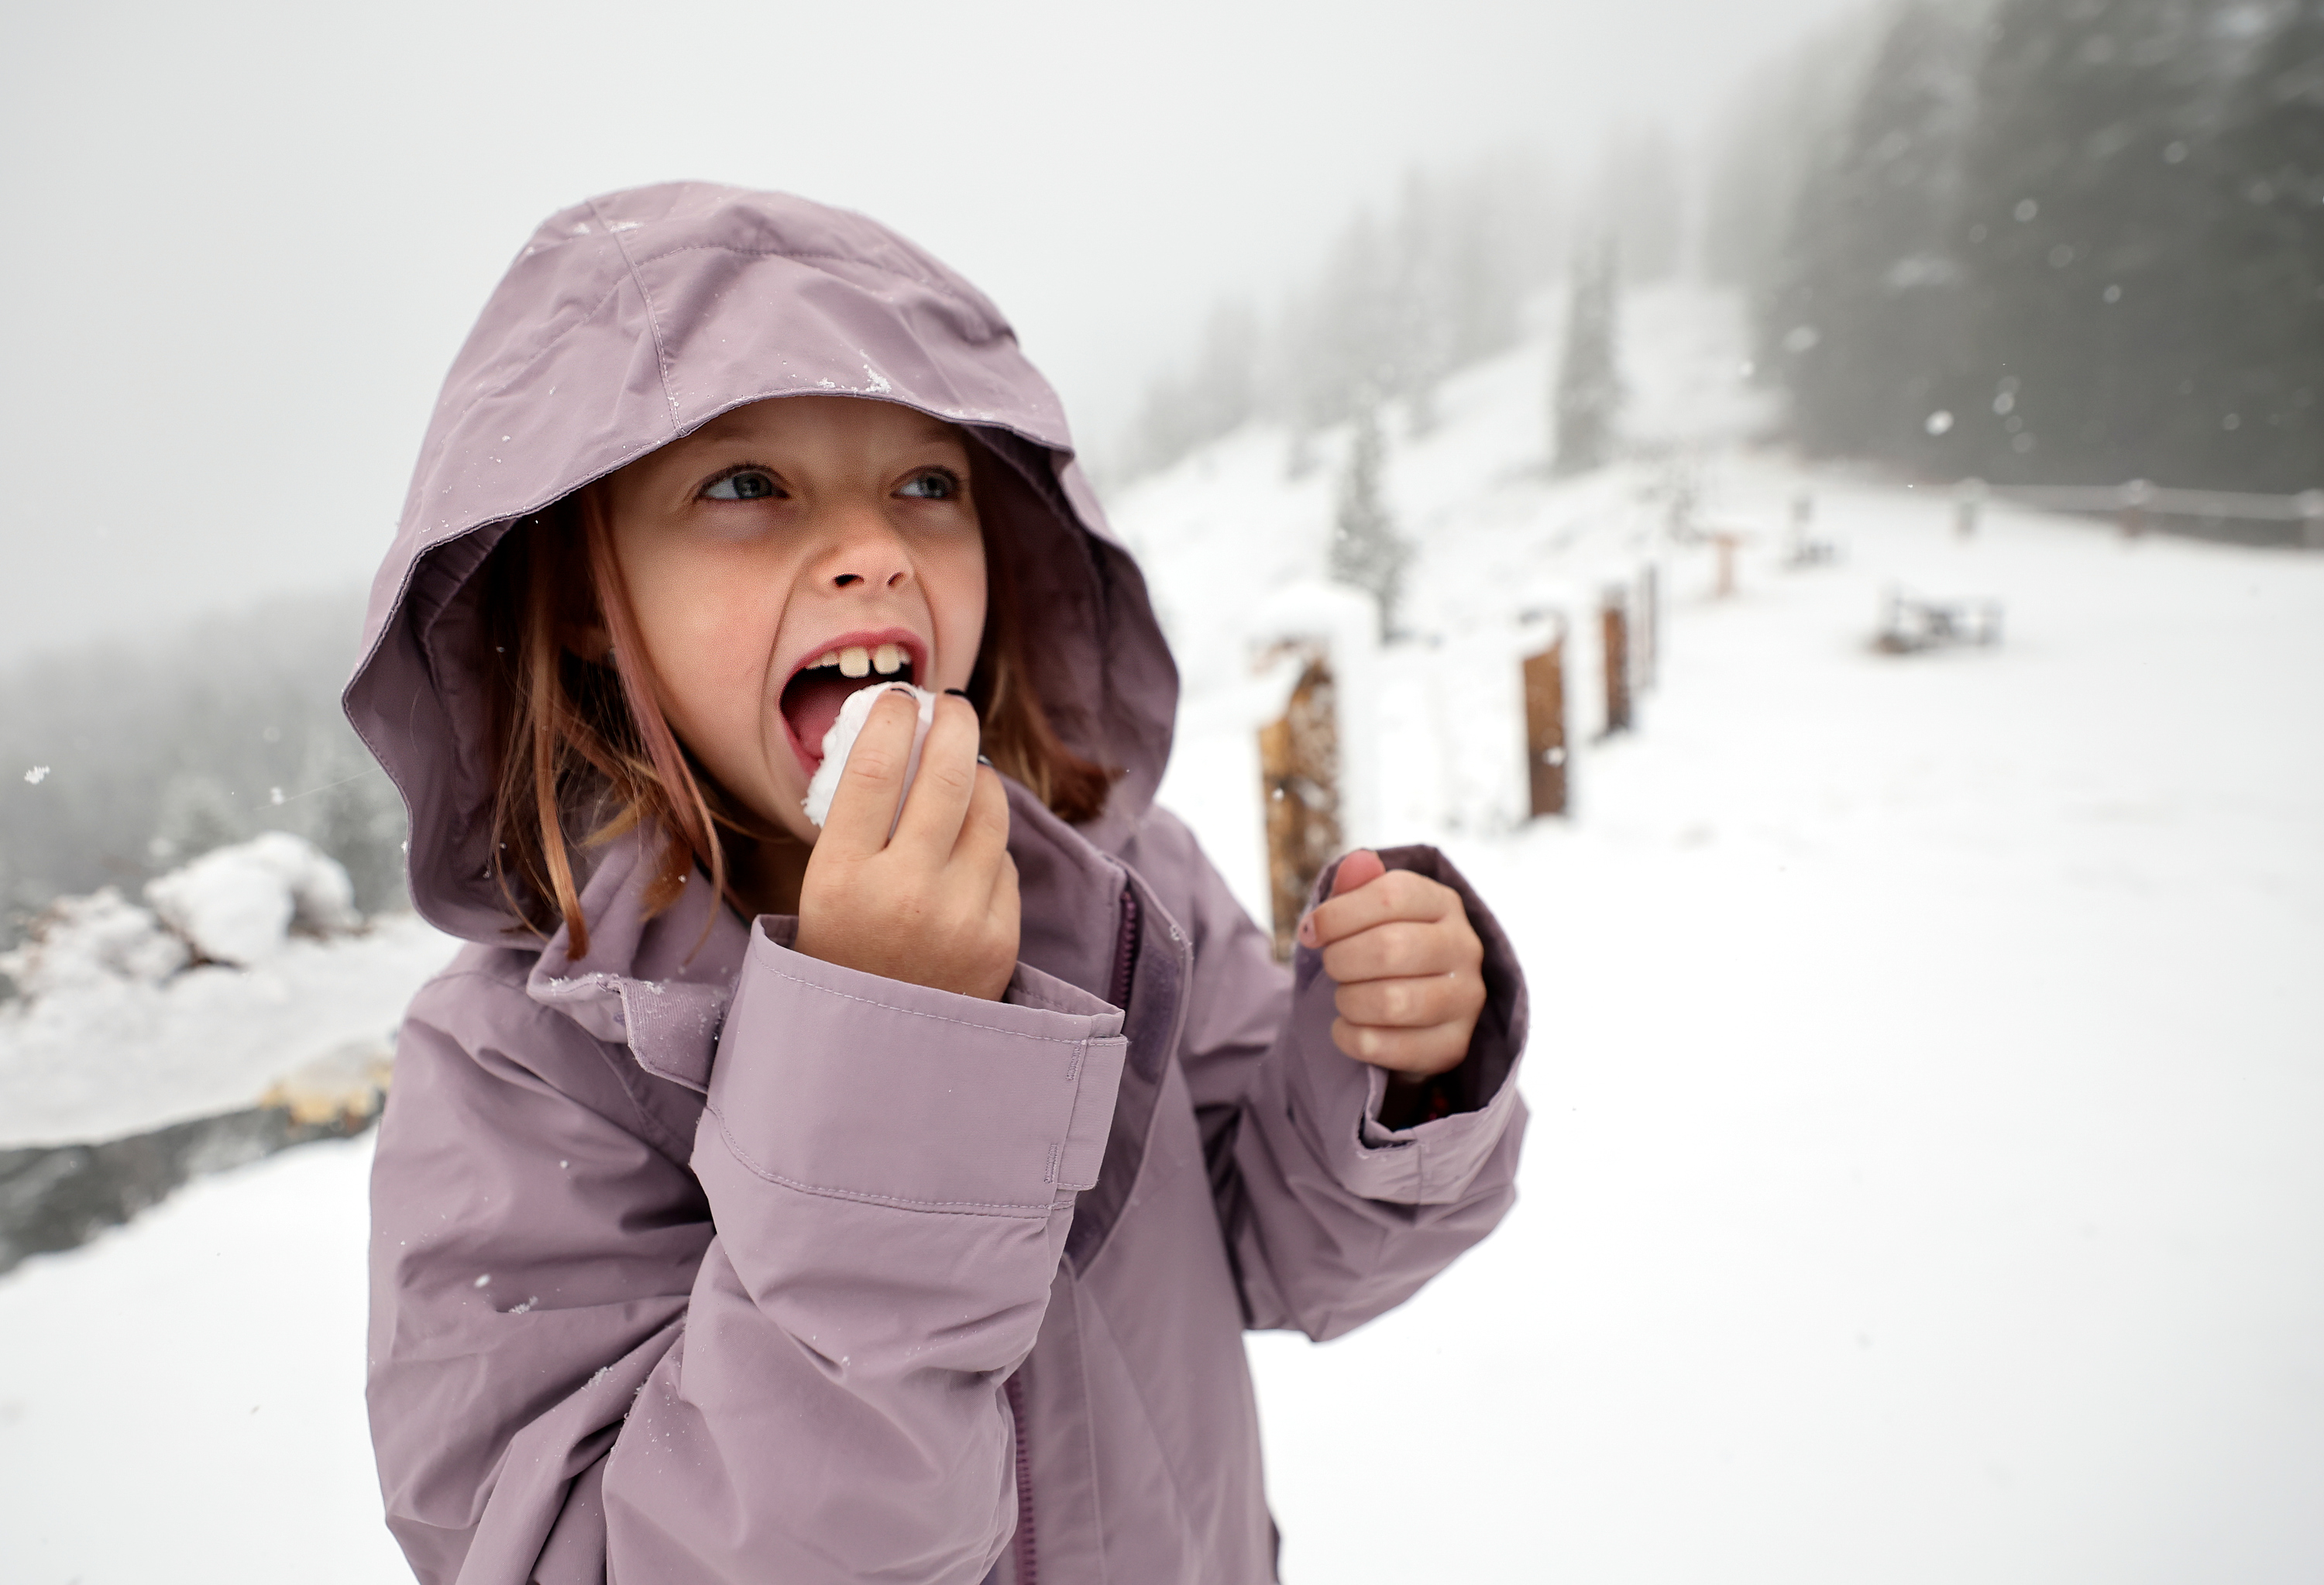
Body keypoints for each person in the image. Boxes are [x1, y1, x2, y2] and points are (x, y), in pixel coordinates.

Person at [351, 183, 1530, 1584]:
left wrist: (1393, 1070)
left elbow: (1283, 1246)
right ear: (579, 605)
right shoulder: (522, 1061)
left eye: (930, 484)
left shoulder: (1121, 893)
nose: (876, 550)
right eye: (744, 485)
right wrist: (883, 1061)